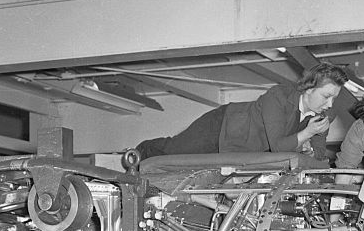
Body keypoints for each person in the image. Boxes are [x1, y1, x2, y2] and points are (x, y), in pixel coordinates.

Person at [134, 63, 350, 163]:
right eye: (326, 96)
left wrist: (312, 151)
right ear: (309, 89)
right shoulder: (278, 96)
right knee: (175, 151)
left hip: (238, 149)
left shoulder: (320, 116)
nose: (330, 104)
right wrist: (306, 134)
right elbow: (277, 146)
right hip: (221, 126)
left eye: (334, 98)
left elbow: (319, 157)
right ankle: (138, 153)